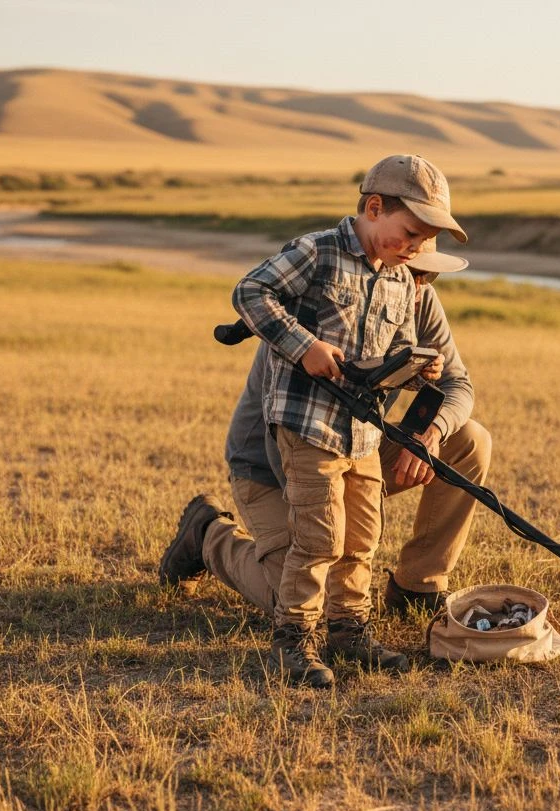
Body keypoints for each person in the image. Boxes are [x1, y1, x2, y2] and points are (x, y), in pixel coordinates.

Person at [181, 155, 467, 689]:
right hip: (303, 429)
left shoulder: (403, 281)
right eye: (409, 233)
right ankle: (295, 638)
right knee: (319, 539)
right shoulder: (317, 251)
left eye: (425, 242)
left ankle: (349, 632)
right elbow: (249, 293)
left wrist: (414, 368)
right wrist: (304, 344)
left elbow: (391, 364)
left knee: (361, 537)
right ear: (374, 208)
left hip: (361, 434)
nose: (415, 249)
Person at [160, 234, 491, 633]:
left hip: (355, 450)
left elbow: (458, 385)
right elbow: (291, 436)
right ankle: (209, 535)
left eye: (429, 275)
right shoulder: (330, 299)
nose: (418, 284)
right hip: (275, 463)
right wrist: (334, 518)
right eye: (411, 271)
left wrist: (430, 433)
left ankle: (418, 585)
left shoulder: (418, 297)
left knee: (468, 439)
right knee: (300, 594)